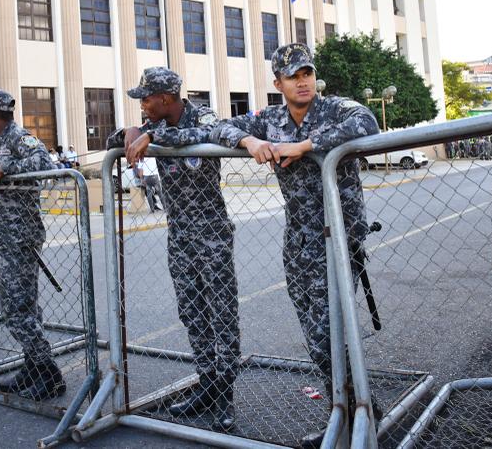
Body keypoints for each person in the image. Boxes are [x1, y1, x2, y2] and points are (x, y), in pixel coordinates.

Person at [208, 43, 379, 447]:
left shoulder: (335, 109)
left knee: (330, 332)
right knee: (316, 334)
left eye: (307, 74)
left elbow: (368, 123)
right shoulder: (270, 118)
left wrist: (304, 145)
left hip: (338, 239)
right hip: (299, 241)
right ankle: (350, 410)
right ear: (278, 83)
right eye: (293, 76)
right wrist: (250, 142)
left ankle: (355, 414)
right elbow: (219, 127)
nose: (303, 82)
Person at [107, 67, 240, 430]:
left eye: (146, 99)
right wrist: (134, 132)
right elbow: (111, 142)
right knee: (192, 312)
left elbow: (215, 133)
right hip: (179, 235)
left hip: (212, 234)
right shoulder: (151, 124)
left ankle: (225, 393)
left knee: (221, 314)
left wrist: (155, 136)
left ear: (166, 98)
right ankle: (207, 383)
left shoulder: (202, 114)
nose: (142, 105)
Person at [0, 88, 66, 401]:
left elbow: (44, 162)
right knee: (24, 307)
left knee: (16, 310)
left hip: (17, 238)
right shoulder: (1, 141)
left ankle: (48, 372)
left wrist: (5, 168)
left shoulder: (17, 137)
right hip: (3, 237)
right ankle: (33, 366)